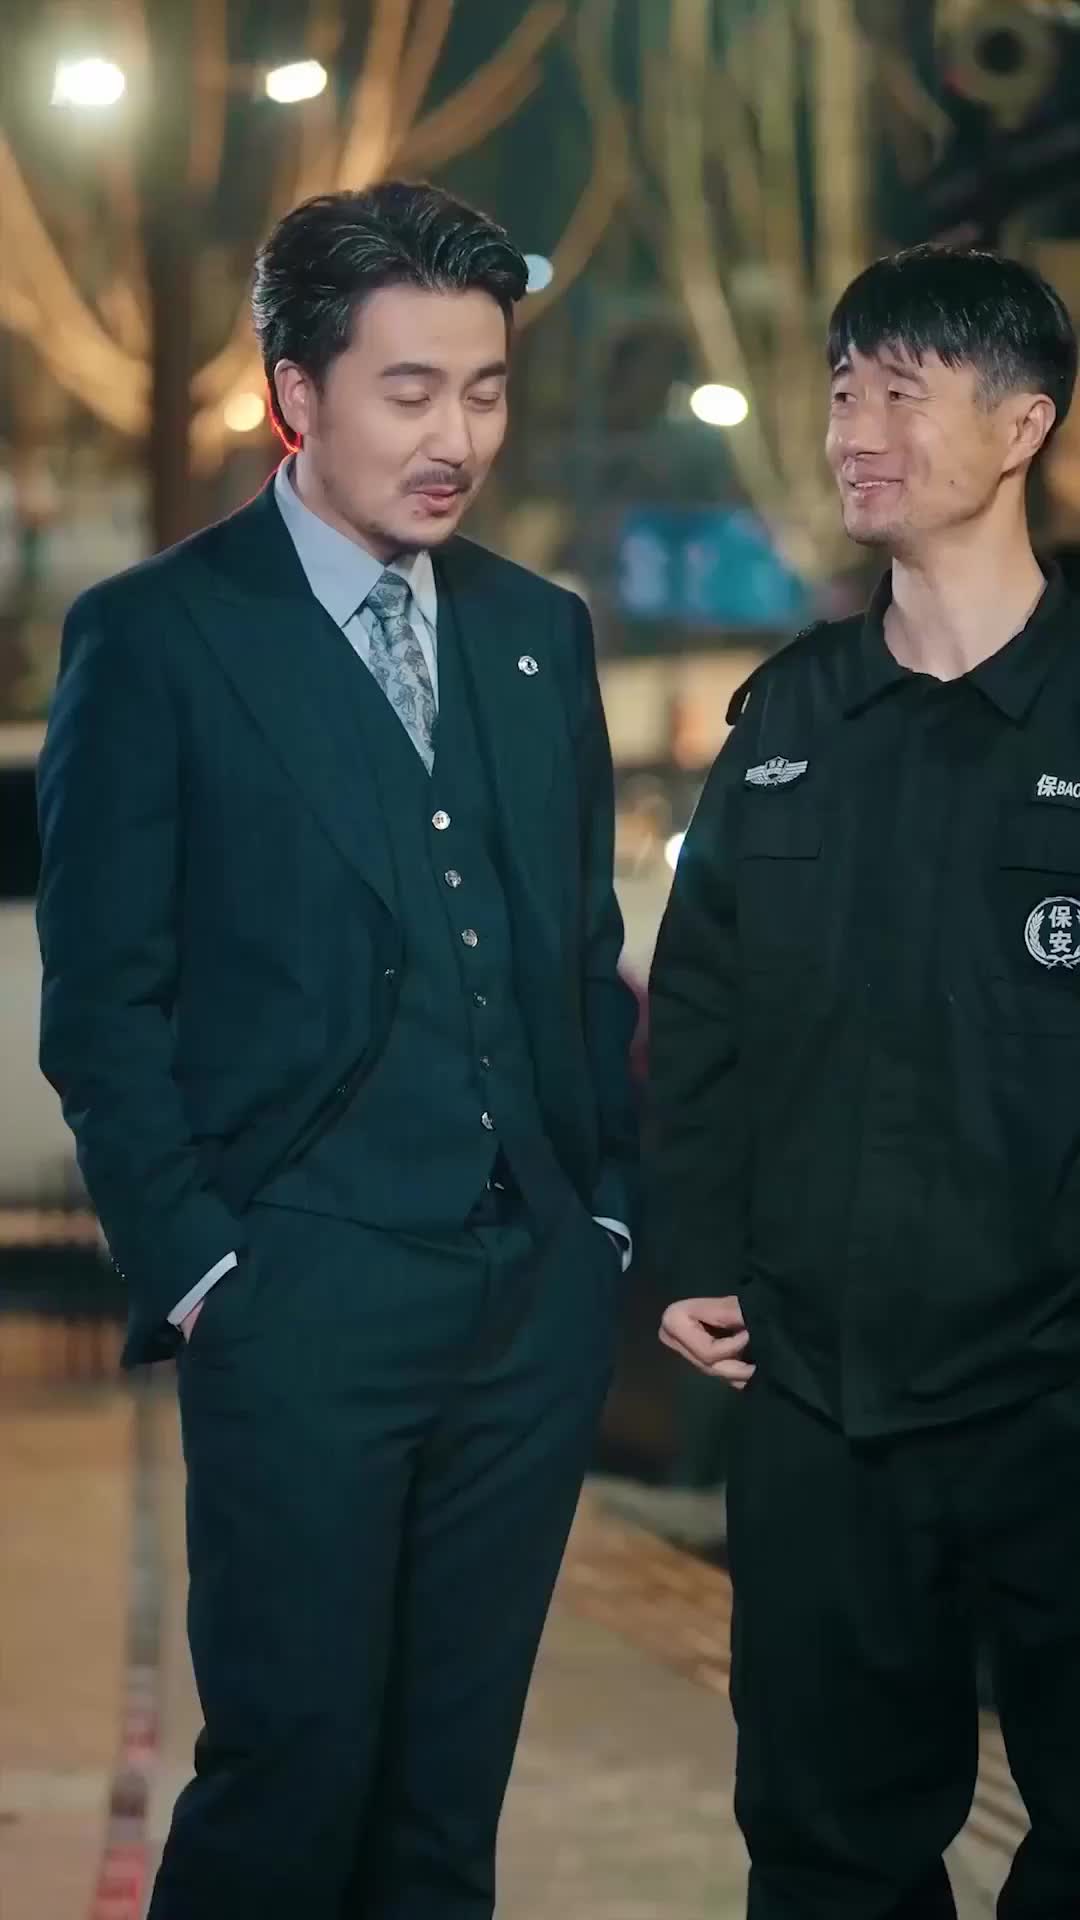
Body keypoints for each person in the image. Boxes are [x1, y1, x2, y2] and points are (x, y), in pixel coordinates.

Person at [36, 181, 638, 1920]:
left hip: (528, 1306)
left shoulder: (538, 631)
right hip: (297, 1298)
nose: (458, 439)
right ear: (295, 391)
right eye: (410, 391)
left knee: (445, 1820)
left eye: (487, 390)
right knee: (287, 1790)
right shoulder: (159, 635)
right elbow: (103, 1004)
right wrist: (204, 1269)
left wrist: (605, 1218)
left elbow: (578, 955)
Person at [648, 244, 1080, 1919]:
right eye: (842, 389)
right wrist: (695, 1250)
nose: (853, 430)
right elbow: (701, 1016)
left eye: (904, 390)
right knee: (828, 1852)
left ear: (1025, 425)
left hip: (1056, 1393)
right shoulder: (787, 722)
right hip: (823, 1404)